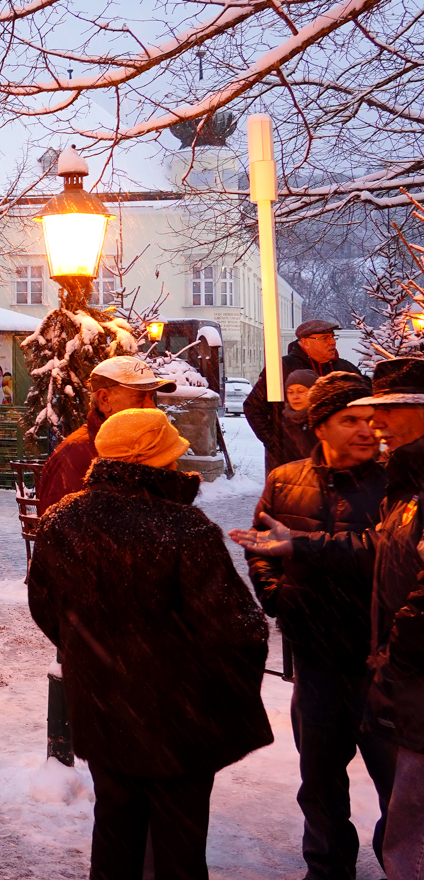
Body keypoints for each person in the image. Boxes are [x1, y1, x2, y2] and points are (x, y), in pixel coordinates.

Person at [29, 407, 273, 880]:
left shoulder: (62, 520)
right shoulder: (184, 528)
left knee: (116, 833)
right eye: (171, 451)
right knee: (178, 848)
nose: (180, 461)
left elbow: (46, 608)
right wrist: (210, 690)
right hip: (177, 721)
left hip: (102, 711)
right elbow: (238, 630)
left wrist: (95, 657)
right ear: (151, 459)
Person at [229, 371, 393, 880]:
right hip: (317, 660)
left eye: (371, 420)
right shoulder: (285, 480)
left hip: (381, 662)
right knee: (319, 781)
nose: (366, 430)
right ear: (320, 426)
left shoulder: (397, 483)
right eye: (351, 420)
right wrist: (277, 597)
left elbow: (384, 557)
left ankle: (402, 860)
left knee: (399, 782)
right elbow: (261, 547)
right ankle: (327, 867)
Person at [351, 357, 424, 880]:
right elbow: (383, 552)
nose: (375, 424)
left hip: (416, 689)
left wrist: (396, 662)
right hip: (408, 692)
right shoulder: (404, 490)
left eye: (389, 410)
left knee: (413, 838)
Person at [36, 356, 175, 514]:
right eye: (140, 397)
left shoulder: (143, 448)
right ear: (104, 399)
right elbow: (58, 532)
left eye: (152, 397)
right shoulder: (74, 455)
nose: (152, 407)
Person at [246, 319, 360, 466]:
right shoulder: (282, 367)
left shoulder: (345, 369)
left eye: (333, 337)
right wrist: (276, 443)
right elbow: (253, 407)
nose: (332, 342)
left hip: (338, 460)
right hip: (292, 460)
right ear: (305, 342)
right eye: (325, 338)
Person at [260, 368, 320, 472]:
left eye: (301, 391)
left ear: (314, 392)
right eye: (290, 392)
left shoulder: (323, 423)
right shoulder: (281, 425)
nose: (295, 397)